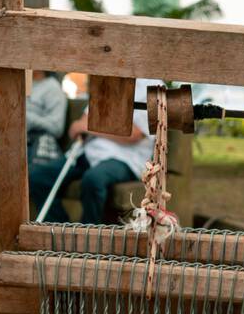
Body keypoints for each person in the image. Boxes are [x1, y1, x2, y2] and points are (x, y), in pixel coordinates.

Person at [29, 76, 156, 224]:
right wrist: (85, 127)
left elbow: (134, 134)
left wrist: (90, 127)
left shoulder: (152, 85)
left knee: (93, 180)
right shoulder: (109, 78)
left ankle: (89, 238)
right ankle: (63, 233)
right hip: (87, 153)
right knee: (38, 177)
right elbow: (81, 123)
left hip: (124, 158)